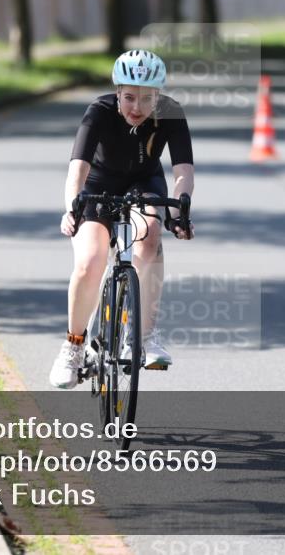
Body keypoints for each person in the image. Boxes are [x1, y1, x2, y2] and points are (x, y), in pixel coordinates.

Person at [49, 49, 195, 389]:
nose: (137, 108)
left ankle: (144, 336)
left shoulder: (171, 114)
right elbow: (78, 169)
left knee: (151, 232)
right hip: (98, 185)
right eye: (129, 97)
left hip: (144, 182)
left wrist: (178, 213)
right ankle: (73, 346)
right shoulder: (98, 112)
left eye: (147, 99)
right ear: (117, 92)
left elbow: (183, 173)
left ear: (158, 96)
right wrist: (72, 205)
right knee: (90, 260)